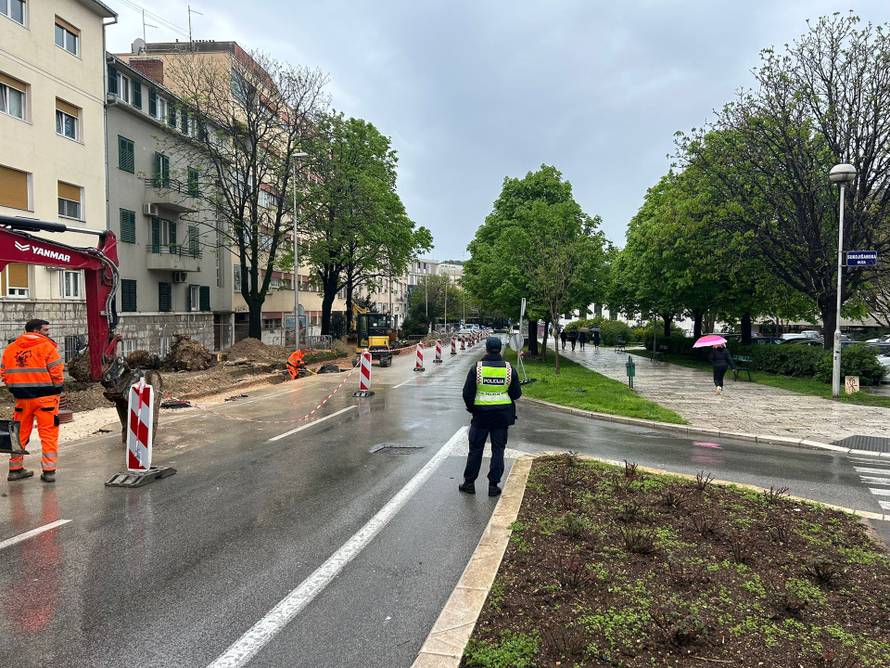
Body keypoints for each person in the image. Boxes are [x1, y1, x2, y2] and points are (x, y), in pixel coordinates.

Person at [0, 319, 64, 482]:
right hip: (46, 400)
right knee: (48, 434)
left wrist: (14, 387)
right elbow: (56, 372)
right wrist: (56, 388)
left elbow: (4, 373)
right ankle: (49, 472)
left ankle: (15, 469)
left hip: (22, 399)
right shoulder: (47, 346)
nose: (48, 333)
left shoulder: (10, 349)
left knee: (18, 434)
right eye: (45, 330)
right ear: (36, 330)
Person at [460, 336, 522, 497]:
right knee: (498, 450)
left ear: (486, 349)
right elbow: (516, 394)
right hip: (502, 417)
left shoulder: (477, 368)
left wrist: (472, 408)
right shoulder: (509, 369)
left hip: (480, 416)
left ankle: (469, 483)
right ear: (500, 349)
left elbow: (467, 393)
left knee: (475, 449)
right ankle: (493, 486)